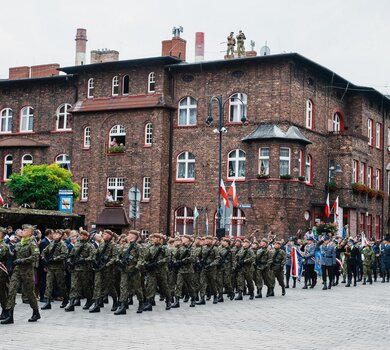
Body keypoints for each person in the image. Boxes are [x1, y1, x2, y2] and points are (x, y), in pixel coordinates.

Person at [1, 224, 40, 324]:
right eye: (22, 229)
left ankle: (36, 312)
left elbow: (35, 257)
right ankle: (10, 316)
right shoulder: (18, 243)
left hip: (27, 271)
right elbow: (13, 255)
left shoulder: (32, 243)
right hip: (17, 271)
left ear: (30, 232)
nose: (23, 231)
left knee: (29, 293)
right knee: (12, 291)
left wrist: (21, 260)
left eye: (25, 230)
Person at [115, 230, 145, 315]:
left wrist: (137, 267)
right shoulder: (124, 246)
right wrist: (119, 261)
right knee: (123, 288)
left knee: (137, 288)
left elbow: (141, 259)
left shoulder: (138, 247)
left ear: (133, 237)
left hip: (134, 271)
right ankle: (122, 306)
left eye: (129, 235)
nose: (127, 236)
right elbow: (117, 255)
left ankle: (141, 303)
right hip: (125, 270)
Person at [64, 230, 95, 312]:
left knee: (86, 287)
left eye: (83, 235)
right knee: (74, 286)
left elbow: (92, 257)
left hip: (85, 270)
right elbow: (71, 255)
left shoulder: (90, 246)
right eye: (80, 235)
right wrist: (69, 261)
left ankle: (89, 300)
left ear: (86, 236)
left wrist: (84, 260)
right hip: (76, 269)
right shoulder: (76, 245)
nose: (81, 236)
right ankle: (71, 303)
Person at [89, 229, 119, 313]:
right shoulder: (102, 244)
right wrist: (94, 259)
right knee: (97, 285)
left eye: (105, 234)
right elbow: (96, 252)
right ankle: (96, 305)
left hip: (108, 269)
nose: (103, 235)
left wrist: (106, 265)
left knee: (110, 287)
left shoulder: (113, 245)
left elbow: (115, 258)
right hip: (99, 268)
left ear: (110, 235)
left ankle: (115, 302)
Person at [40, 229, 69, 310]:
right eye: (55, 234)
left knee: (61, 285)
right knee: (49, 284)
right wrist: (43, 258)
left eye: (58, 234)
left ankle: (65, 299)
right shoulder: (51, 243)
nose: (55, 235)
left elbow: (64, 255)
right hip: (50, 268)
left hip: (59, 268)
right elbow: (43, 251)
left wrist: (54, 259)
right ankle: (48, 302)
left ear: (61, 236)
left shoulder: (62, 244)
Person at [143, 233, 171, 311]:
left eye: (155, 238)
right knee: (150, 286)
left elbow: (168, 258)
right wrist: (147, 264)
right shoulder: (150, 248)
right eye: (152, 238)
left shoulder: (164, 248)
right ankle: (149, 303)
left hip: (162, 271)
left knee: (164, 287)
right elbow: (146, 257)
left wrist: (159, 262)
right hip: (152, 271)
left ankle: (168, 300)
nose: (152, 239)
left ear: (159, 239)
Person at [0, 228, 10, 320]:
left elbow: (1, 256)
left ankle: (5, 311)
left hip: (1, 272)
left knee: (2, 292)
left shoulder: (4, 245)